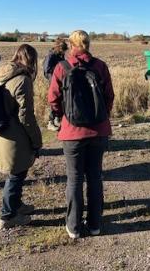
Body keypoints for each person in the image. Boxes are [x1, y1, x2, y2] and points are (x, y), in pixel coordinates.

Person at [48, 30, 114, 239]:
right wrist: (101, 117)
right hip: (98, 131)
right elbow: (109, 96)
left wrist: (63, 116)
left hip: (72, 132)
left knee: (74, 179)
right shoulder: (100, 66)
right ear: (88, 44)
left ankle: (74, 226)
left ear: (71, 44)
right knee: (95, 177)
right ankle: (95, 224)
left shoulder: (62, 67)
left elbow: (53, 99)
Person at [0, 44, 42, 229]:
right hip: (17, 135)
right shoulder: (23, 79)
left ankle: (17, 205)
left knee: (18, 172)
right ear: (31, 59)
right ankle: (7, 216)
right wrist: (36, 140)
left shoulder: (3, 74)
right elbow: (26, 115)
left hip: (4, 132)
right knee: (15, 175)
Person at [42, 38, 68, 131]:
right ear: (59, 48)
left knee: (60, 101)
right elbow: (46, 70)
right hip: (53, 81)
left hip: (61, 82)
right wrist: (55, 77)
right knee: (53, 101)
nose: (64, 52)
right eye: (63, 50)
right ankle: (50, 122)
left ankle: (57, 119)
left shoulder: (61, 55)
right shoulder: (51, 56)